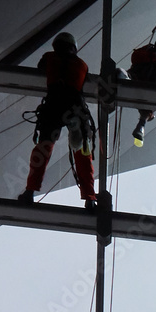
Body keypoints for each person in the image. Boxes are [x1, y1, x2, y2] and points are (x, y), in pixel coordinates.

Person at [17, 32, 97, 210]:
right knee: (82, 150)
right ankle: (90, 198)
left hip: (54, 106)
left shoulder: (50, 58)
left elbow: (41, 68)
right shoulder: (82, 64)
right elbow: (84, 82)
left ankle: (30, 191)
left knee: (43, 149)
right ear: (74, 48)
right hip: (74, 108)